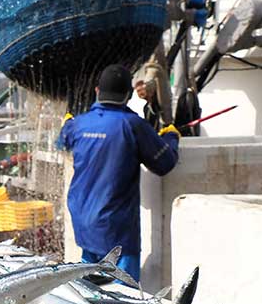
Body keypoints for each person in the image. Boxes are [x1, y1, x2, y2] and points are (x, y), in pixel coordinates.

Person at [58, 64, 180, 282]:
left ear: (97, 91)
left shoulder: (78, 124)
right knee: (124, 295)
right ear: (129, 94)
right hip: (118, 230)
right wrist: (171, 137)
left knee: (88, 290)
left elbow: (63, 139)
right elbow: (164, 164)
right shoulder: (133, 125)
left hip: (84, 223)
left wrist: (68, 123)